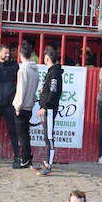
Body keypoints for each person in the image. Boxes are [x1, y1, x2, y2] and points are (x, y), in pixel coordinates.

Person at [11, 43, 40, 169]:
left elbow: (21, 89)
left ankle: (25, 158)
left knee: (22, 135)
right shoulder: (35, 69)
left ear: (20, 54)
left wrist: (18, 105)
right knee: (25, 133)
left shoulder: (23, 69)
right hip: (30, 105)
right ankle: (28, 157)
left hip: (22, 106)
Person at [36, 45, 63, 175]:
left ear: (47, 58)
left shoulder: (54, 73)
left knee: (49, 137)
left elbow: (53, 92)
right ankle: (47, 161)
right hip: (49, 108)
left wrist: (45, 107)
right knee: (47, 136)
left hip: (50, 109)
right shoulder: (52, 72)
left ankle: (49, 165)